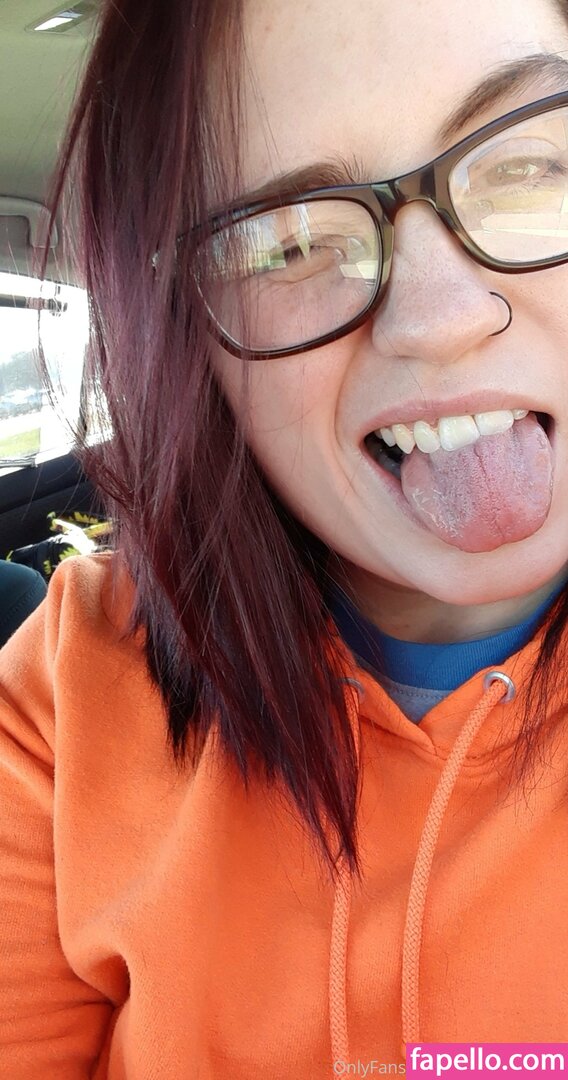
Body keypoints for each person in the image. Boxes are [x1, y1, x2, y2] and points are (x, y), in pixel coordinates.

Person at [2, 0, 568, 1074]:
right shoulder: (72, 687)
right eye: (289, 241)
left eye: (532, 164)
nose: (438, 318)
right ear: (190, 346)